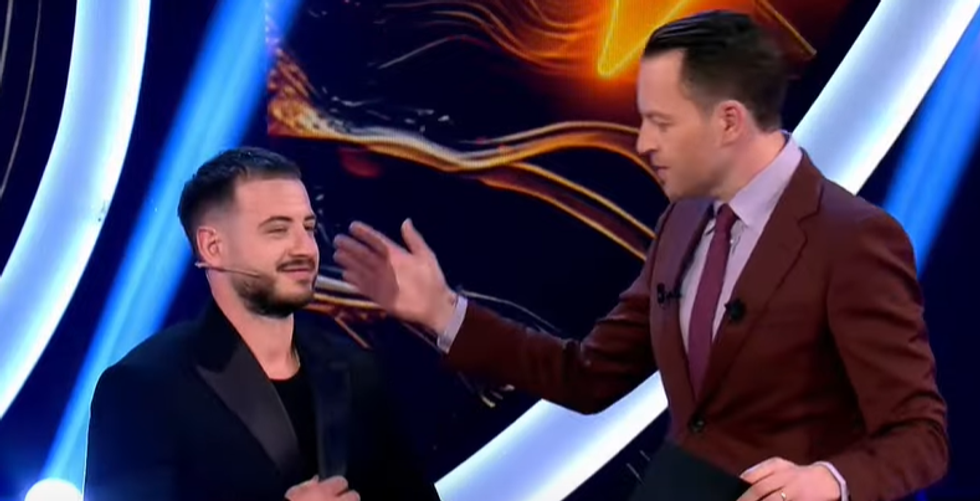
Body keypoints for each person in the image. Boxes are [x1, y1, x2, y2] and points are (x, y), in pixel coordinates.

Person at [332, 10, 948, 501]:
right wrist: (444, 312)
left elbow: (920, 435)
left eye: (661, 122)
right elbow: (588, 375)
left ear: (729, 122)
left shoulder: (853, 239)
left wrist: (831, 482)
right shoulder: (684, 224)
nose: (644, 143)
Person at [84, 147, 440, 501]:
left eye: (308, 227)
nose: (305, 248)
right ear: (212, 246)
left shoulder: (357, 372)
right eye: (278, 230)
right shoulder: (143, 388)